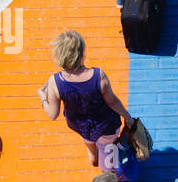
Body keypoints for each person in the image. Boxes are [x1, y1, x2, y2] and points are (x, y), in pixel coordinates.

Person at [37, 30, 134, 169]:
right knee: (107, 149)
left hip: (80, 125)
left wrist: (42, 97)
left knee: (88, 138)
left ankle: (93, 155)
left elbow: (53, 114)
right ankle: (106, 170)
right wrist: (128, 118)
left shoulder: (54, 81)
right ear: (82, 53)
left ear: (58, 56)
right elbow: (112, 101)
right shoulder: (98, 75)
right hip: (105, 125)